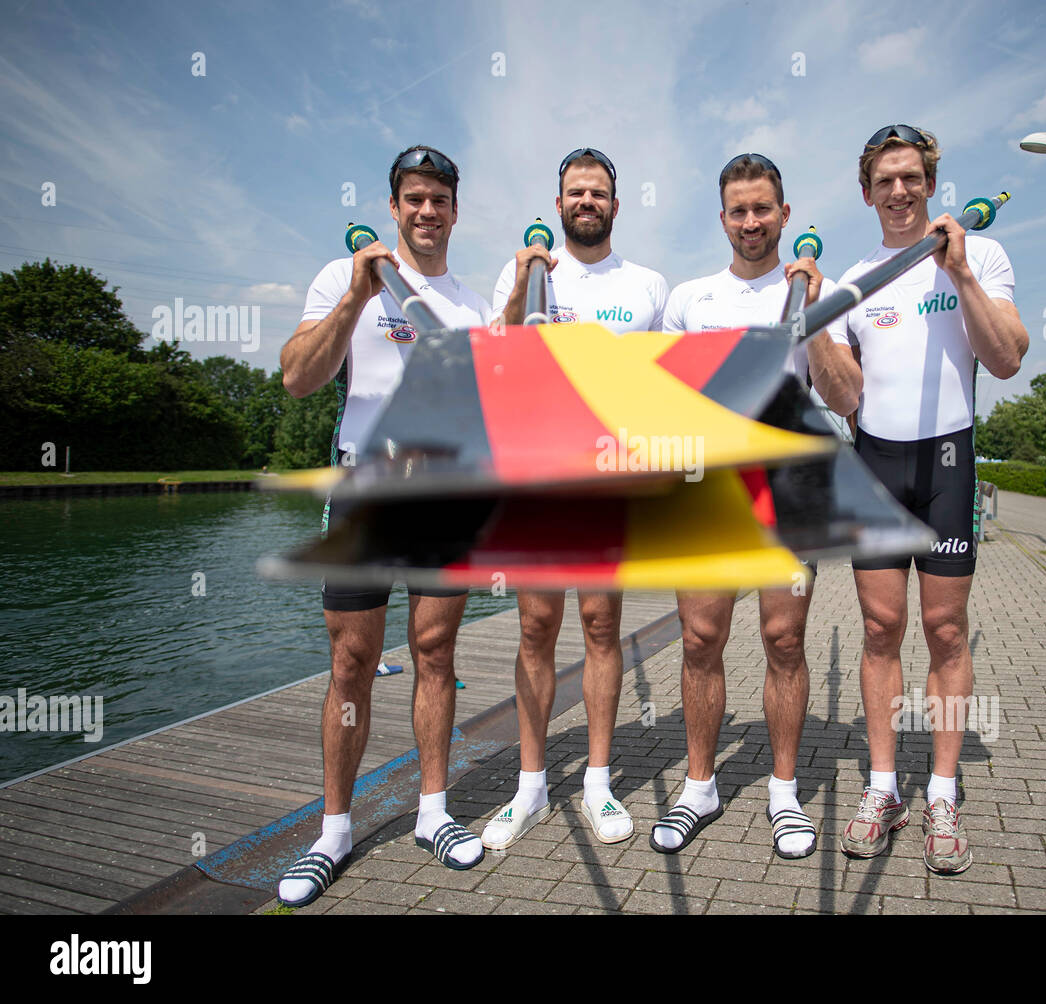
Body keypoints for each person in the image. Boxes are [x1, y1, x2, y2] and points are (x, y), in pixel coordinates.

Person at [275, 146, 491, 905]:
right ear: (394, 207)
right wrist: (359, 297)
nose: (427, 211)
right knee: (351, 664)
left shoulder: (470, 303)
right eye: (414, 199)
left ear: (456, 211)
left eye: (440, 199)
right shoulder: (346, 277)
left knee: (435, 652)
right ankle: (333, 830)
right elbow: (299, 378)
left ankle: (434, 812)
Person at [812, 125, 1028, 874]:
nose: (899, 191)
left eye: (911, 178)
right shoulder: (854, 279)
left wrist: (961, 273)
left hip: (948, 462)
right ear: (866, 191)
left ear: (930, 182)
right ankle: (882, 789)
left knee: (944, 629)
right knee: (881, 626)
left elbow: (1005, 358)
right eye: (884, 180)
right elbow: (845, 397)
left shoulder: (980, 254)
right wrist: (814, 324)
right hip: (875, 463)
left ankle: (940, 790)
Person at [649, 153, 845, 859]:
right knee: (700, 639)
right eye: (739, 210)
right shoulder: (689, 299)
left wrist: (819, 313)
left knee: (784, 640)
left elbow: (846, 396)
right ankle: (698, 786)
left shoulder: (816, 291)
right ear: (723, 217)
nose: (752, 221)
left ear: (785, 216)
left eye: (764, 209)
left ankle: (784, 793)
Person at [483, 148, 668, 849]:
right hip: (537, 472)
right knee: (535, 629)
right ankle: (529, 787)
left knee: (598, 625)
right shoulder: (526, 270)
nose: (586, 201)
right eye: (574, 193)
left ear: (615, 205)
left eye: (598, 192)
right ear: (557, 204)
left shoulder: (647, 284)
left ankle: (596, 783)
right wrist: (526, 278)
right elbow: (494, 356)